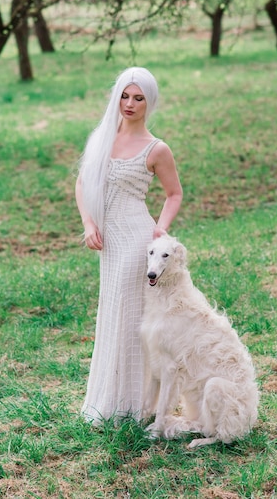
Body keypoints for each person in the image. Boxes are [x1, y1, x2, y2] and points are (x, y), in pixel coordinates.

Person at [75, 66, 182, 425]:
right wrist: (89, 222)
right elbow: (82, 182)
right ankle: (109, 400)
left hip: (137, 239)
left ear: (149, 102)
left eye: (138, 98)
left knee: (130, 317)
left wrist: (161, 229)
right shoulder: (103, 137)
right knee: (113, 315)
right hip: (110, 243)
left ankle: (134, 408)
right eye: (124, 95)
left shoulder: (156, 148)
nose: (130, 103)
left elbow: (174, 194)